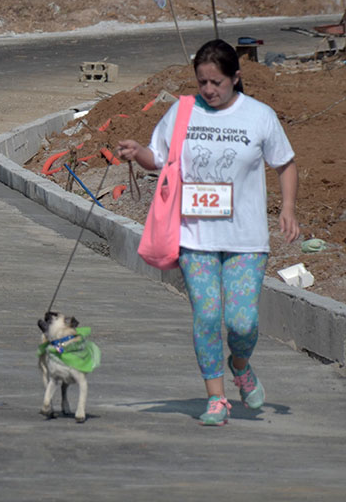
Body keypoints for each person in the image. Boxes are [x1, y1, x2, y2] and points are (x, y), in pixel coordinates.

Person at [116, 39, 299, 426]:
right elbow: (158, 158)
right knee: (206, 314)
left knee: (243, 321)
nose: (209, 90)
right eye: (202, 82)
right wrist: (138, 152)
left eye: (216, 82)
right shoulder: (182, 112)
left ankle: (241, 364)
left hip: (246, 240)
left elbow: (285, 163)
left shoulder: (260, 116)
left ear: (236, 77)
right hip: (194, 238)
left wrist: (288, 209)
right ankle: (216, 398)